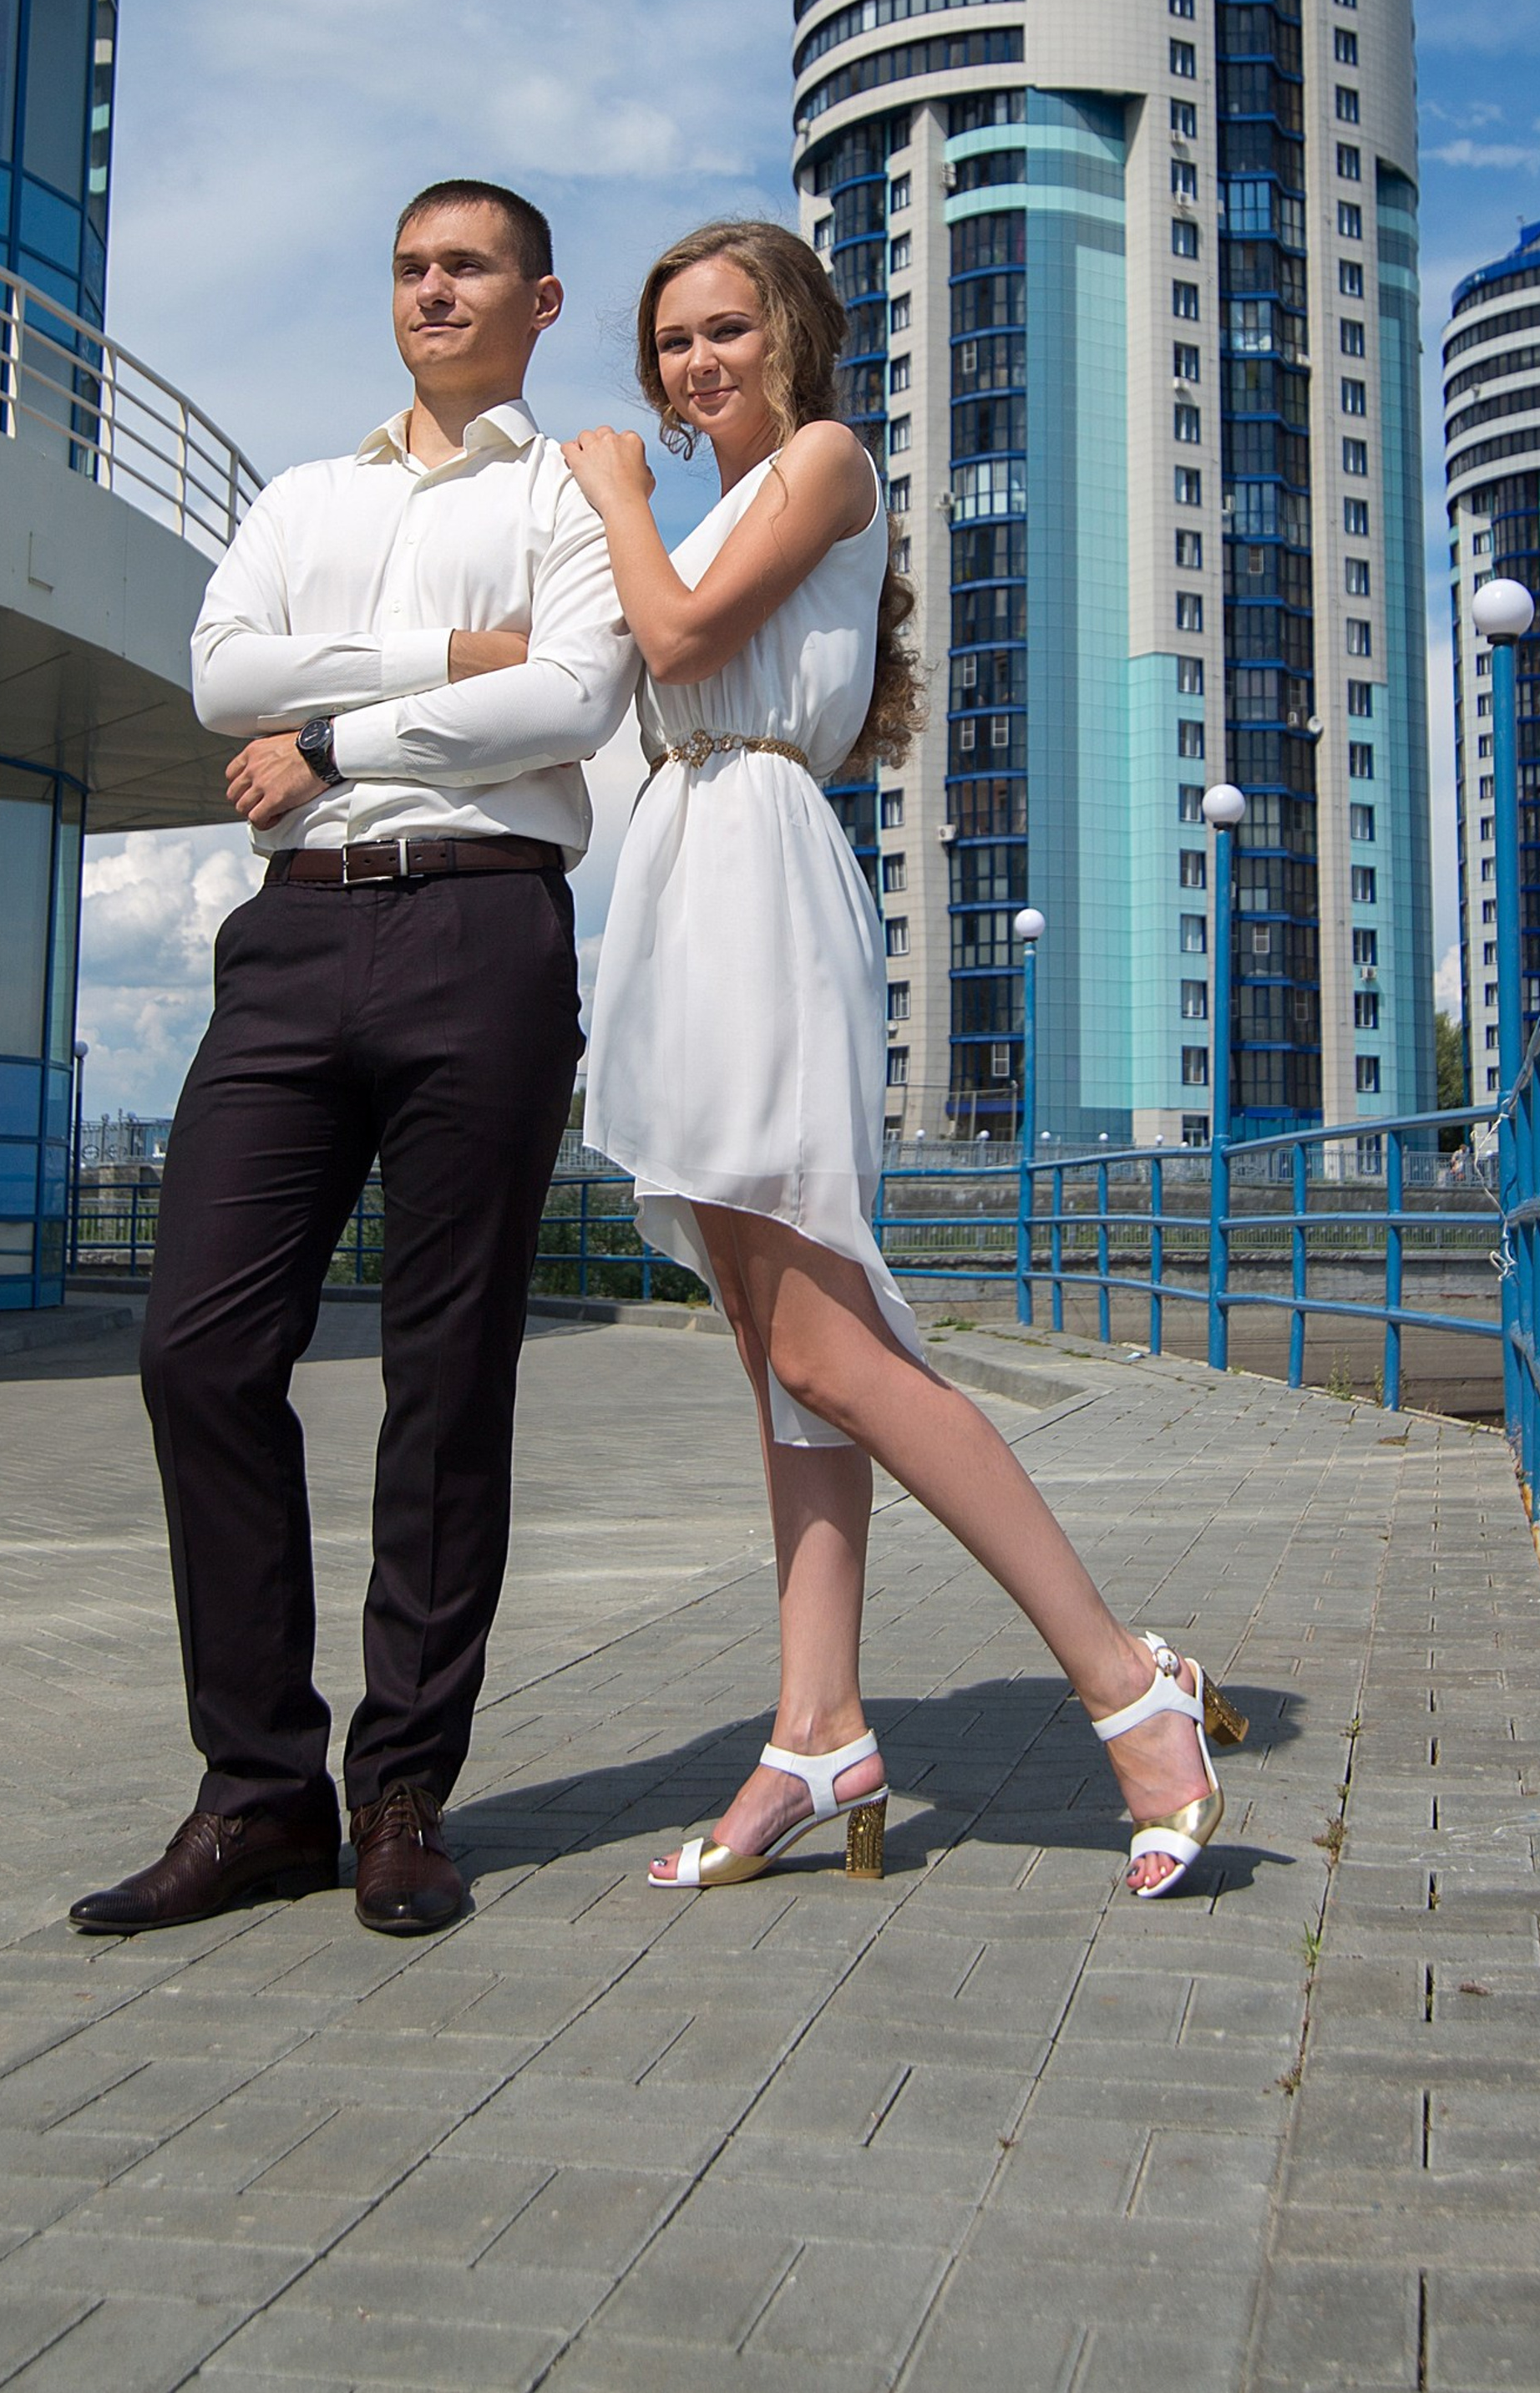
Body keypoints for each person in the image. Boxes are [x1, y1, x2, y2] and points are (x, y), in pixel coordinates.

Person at [562, 221, 1244, 1900]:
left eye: (723, 328)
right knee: (772, 1349)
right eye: (669, 343)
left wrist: (615, 499)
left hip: (755, 881)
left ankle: (1121, 1683)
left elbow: (670, 640)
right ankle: (815, 1725)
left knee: (832, 1344)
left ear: (790, 332)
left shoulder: (822, 462)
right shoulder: (730, 498)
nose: (693, 362)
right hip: (682, 873)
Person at [71, 180, 633, 1941]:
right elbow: (213, 669)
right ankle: (257, 1799)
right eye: (407, 268)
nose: (431, 291)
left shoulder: (573, 490)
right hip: (293, 934)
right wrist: (431, 663)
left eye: (465, 266)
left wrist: (331, 731)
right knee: (196, 1353)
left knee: (444, 1377)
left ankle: (398, 1795)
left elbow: (572, 700)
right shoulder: (303, 496)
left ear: (539, 301)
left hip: (483, 928)